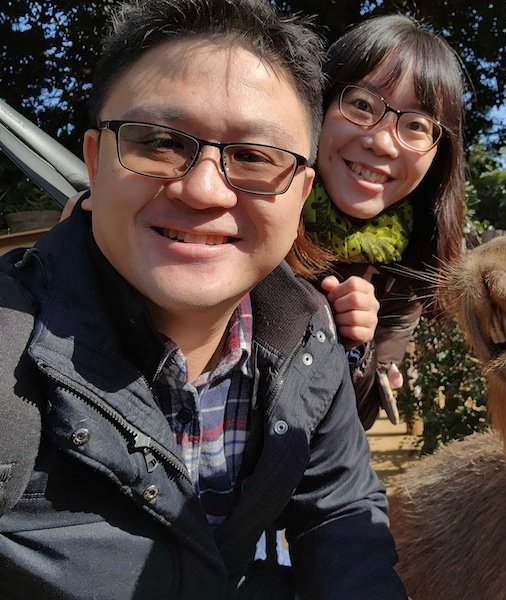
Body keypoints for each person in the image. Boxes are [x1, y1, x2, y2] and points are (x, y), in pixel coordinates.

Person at [0, 0, 408, 598]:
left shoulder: (307, 338)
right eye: (159, 142)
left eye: (253, 157)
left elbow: (338, 512)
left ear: (301, 194)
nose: (202, 189)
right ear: (93, 159)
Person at [303, 14, 466, 428]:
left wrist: (357, 346)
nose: (381, 141)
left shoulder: (413, 260)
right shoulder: (248, 206)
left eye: (415, 125)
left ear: (438, 154)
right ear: (318, 103)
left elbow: (360, 418)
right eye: (361, 104)